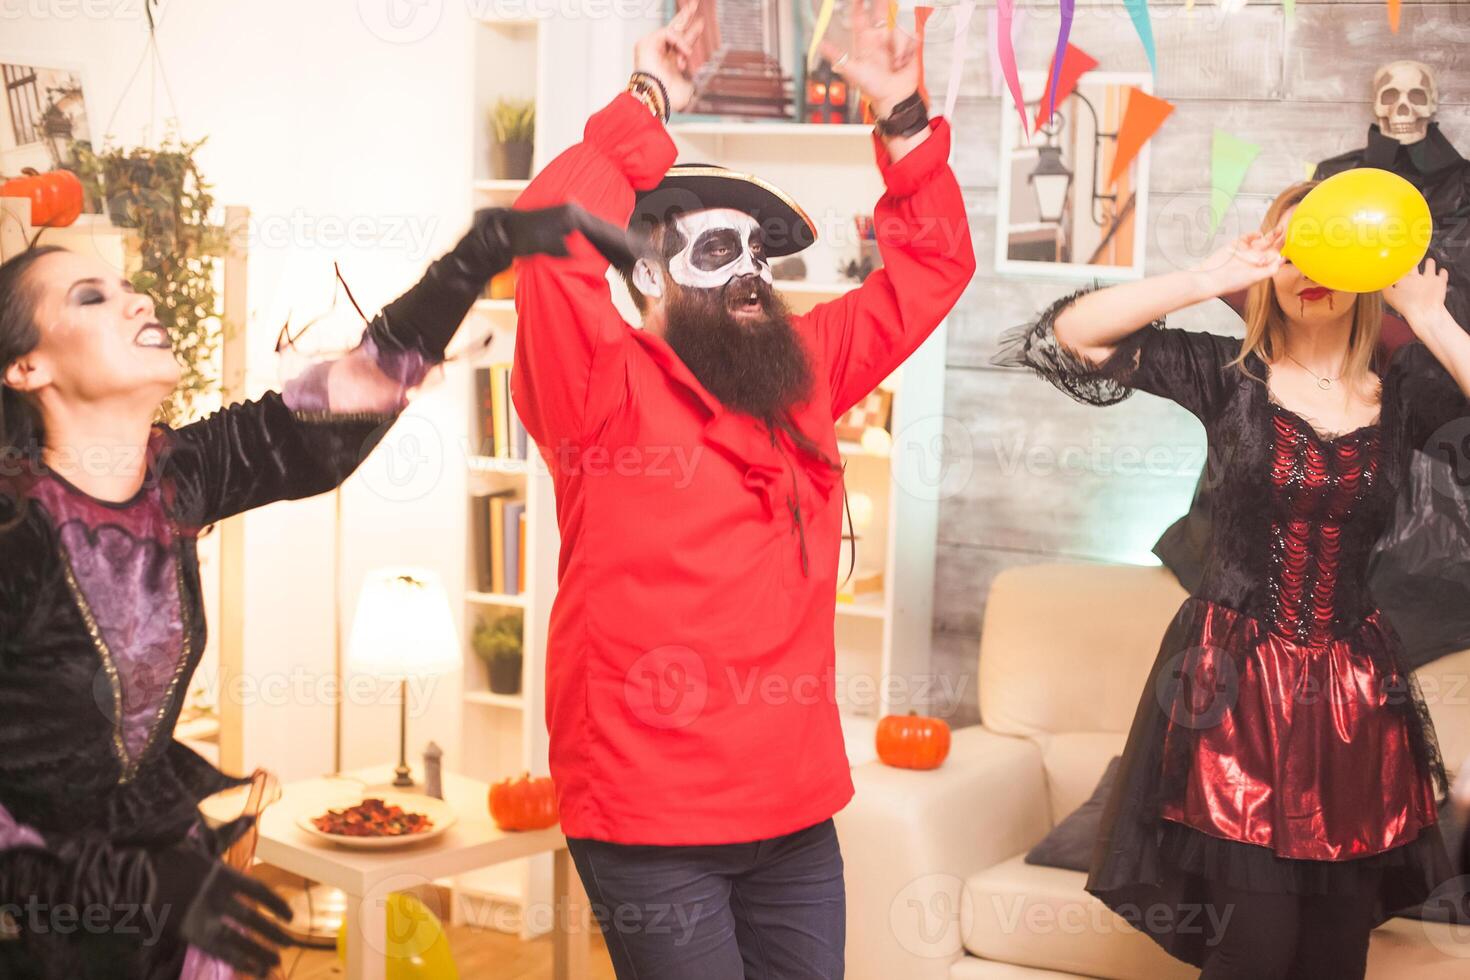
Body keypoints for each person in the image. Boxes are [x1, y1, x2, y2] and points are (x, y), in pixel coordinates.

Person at [0, 205, 629, 979]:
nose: (140, 301)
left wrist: (474, 257)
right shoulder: (13, 530)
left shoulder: (176, 479)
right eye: (90, 297)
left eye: (129, 286)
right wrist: (131, 886)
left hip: (167, 896)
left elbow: (336, 409)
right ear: (26, 368)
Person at [507, 4, 975, 977]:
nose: (753, 271)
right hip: (651, 814)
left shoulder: (800, 369)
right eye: (719, 252)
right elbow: (547, 249)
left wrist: (902, 119)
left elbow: (929, 269)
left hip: (794, 807)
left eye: (762, 255)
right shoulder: (600, 387)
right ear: (649, 276)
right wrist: (648, 103)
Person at [994, 180, 1470, 979]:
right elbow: (1067, 338)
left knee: (1333, 955)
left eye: (1325, 245)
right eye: (1289, 246)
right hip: (1234, 697)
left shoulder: (1406, 390)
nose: (1306, 266)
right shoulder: (1228, 374)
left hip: (1354, 703)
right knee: (1253, 948)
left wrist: (1428, 318)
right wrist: (1204, 281)